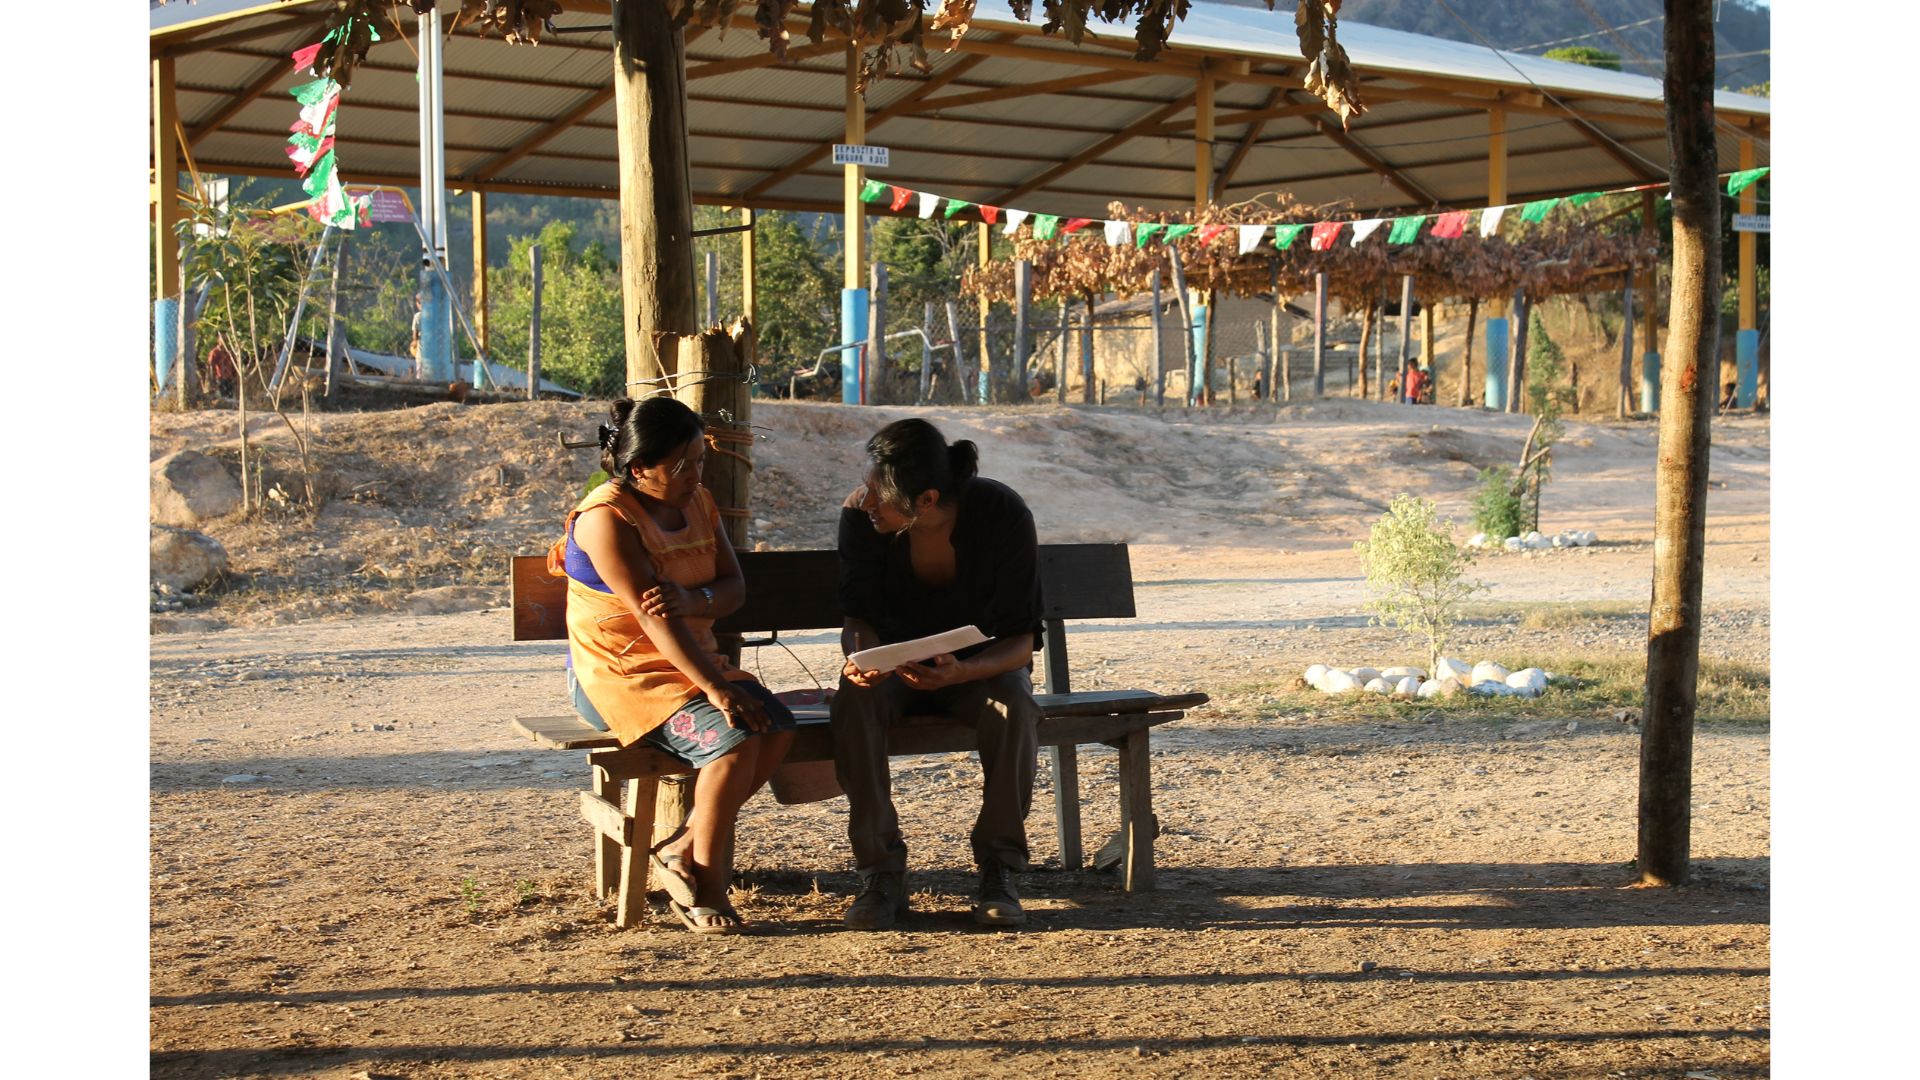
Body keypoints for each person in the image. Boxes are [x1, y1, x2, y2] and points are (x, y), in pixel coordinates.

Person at [552, 396, 796, 934]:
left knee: (775, 727)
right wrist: (715, 687)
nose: (696, 475)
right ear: (640, 469)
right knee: (734, 741)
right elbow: (651, 616)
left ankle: (681, 848)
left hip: (689, 662)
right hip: (622, 675)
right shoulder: (606, 519)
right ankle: (708, 890)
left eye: (699, 462)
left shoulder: (700, 503)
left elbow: (733, 589)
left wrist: (697, 602)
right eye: (682, 465)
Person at [833, 418, 1044, 930]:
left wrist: (961, 671)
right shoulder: (861, 519)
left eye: (878, 495)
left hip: (978, 671)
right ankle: (881, 874)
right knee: (851, 701)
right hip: (892, 675)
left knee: (1013, 706)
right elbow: (857, 617)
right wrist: (863, 660)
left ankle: (1000, 869)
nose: (865, 502)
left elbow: (1020, 642)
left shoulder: (999, 514)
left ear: (926, 499)